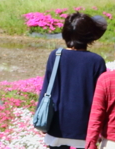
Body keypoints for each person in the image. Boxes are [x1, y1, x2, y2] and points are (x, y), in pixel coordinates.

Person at [38, 12, 109, 149]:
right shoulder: (96, 61)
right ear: (89, 36)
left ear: (66, 33)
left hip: (57, 124)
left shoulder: (56, 56)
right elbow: (101, 98)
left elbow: (47, 89)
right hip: (85, 127)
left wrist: (42, 118)